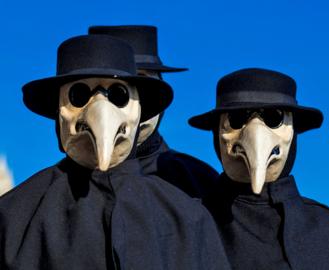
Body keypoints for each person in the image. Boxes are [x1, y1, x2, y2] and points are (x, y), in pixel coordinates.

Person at [0, 35, 230, 270]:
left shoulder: (187, 217)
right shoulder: (13, 217)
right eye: (79, 95)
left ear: (139, 110)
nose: (101, 109)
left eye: (118, 95)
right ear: (59, 112)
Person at [189, 68, 329, 270]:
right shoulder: (188, 223)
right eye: (238, 118)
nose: (256, 133)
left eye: (274, 119)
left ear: (293, 134)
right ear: (217, 132)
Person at [88, 25, 219, 198]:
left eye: (142, 84)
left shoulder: (200, 182)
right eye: (116, 89)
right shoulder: (49, 191)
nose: (129, 99)